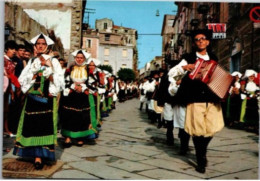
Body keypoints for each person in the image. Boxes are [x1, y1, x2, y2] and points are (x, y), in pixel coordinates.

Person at [174, 29, 224, 173]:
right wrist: (184, 67)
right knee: (197, 131)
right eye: (197, 39)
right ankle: (200, 158)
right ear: (195, 43)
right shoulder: (188, 57)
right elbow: (172, 72)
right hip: (195, 98)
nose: (201, 41)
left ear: (208, 41)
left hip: (212, 98)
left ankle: (202, 149)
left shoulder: (214, 57)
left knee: (212, 128)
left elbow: (217, 76)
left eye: (203, 38)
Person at [13, 33, 65, 170]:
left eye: (43, 44)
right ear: (35, 46)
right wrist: (34, 74)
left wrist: (50, 72)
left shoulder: (53, 61)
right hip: (32, 99)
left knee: (44, 127)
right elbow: (22, 80)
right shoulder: (31, 61)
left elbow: (60, 83)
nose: (40, 46)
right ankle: (32, 152)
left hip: (47, 100)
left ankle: (40, 156)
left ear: (47, 46)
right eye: (38, 44)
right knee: (31, 126)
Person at [59, 50, 98, 148]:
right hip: (72, 94)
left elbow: (92, 83)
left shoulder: (88, 69)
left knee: (82, 115)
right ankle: (68, 137)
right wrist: (73, 86)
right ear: (75, 58)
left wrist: (83, 87)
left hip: (83, 95)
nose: (79, 59)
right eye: (77, 57)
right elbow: (65, 81)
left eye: (81, 58)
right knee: (69, 114)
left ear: (84, 59)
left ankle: (80, 137)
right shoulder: (70, 68)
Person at [4, 40, 20, 137]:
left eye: (15, 49)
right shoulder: (3, 60)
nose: (14, 51)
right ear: (6, 49)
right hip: (4, 87)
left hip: (10, 87)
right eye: (12, 49)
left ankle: (6, 129)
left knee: (7, 110)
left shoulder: (12, 61)